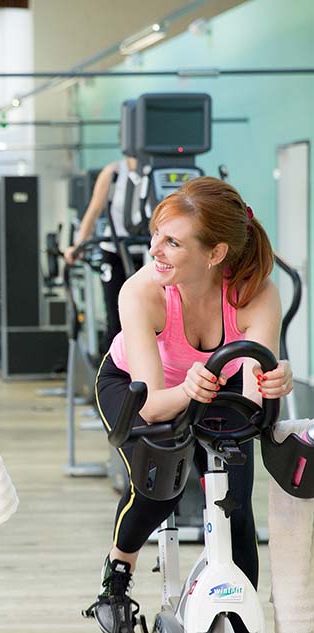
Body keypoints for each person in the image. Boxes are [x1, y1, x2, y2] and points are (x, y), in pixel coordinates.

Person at [83, 177, 293, 633]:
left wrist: (274, 383)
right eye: (157, 235)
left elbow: (253, 400)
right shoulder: (141, 292)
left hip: (215, 388)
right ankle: (117, 574)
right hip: (136, 387)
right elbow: (153, 406)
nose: (154, 249)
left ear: (215, 254)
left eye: (172, 242)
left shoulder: (256, 293)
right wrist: (188, 391)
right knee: (160, 490)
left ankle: (240, 617)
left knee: (235, 506)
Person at [63, 157, 143, 353]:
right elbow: (94, 210)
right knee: (116, 320)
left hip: (149, 252)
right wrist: (78, 246)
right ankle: (112, 368)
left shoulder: (158, 169)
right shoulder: (114, 172)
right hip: (115, 251)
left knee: (150, 318)